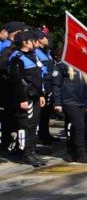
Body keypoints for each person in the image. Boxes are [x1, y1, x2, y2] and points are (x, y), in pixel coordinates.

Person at [8, 30, 47, 167]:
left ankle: (32, 151)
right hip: (25, 97)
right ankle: (24, 153)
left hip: (35, 95)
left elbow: (38, 77)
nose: (34, 43)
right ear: (25, 42)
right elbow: (17, 80)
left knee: (33, 125)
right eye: (31, 40)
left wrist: (41, 94)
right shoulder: (16, 57)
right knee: (25, 125)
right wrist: (22, 99)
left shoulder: (33, 55)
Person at [54, 62, 87, 163]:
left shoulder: (83, 65)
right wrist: (57, 102)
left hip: (81, 101)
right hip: (69, 101)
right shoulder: (62, 65)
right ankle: (80, 153)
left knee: (76, 127)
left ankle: (72, 152)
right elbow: (56, 84)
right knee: (79, 126)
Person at [0, 22, 27, 158]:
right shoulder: (8, 47)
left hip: (8, 85)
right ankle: (9, 144)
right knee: (10, 117)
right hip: (9, 86)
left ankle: (7, 143)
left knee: (8, 117)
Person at [33, 30, 56, 145]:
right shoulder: (36, 52)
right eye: (45, 37)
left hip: (50, 83)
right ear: (40, 39)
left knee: (47, 112)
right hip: (44, 84)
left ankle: (45, 133)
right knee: (41, 112)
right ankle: (40, 136)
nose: (48, 39)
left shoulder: (47, 52)